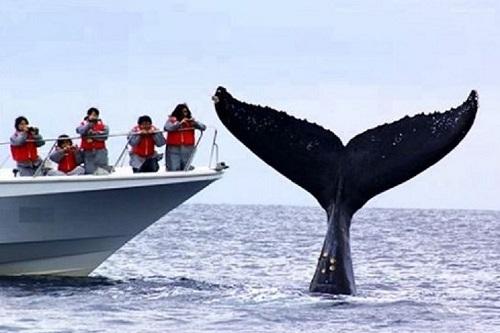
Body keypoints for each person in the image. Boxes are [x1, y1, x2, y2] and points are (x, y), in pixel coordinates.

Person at [164, 103, 206, 171]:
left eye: (186, 112)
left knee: (186, 166)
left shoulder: (190, 121)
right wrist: (179, 123)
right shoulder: (171, 120)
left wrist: (195, 123)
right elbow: (167, 127)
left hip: (187, 147)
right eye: (182, 112)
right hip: (174, 148)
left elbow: (203, 127)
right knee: (174, 168)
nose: (184, 114)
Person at [76, 107, 111, 174]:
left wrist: (93, 134)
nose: (93, 117)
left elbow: (104, 136)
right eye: (92, 115)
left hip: (100, 151)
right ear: (88, 115)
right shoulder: (83, 124)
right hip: (88, 152)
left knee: (103, 169)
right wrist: (89, 125)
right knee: (89, 170)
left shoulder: (104, 126)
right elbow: (80, 131)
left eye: (95, 115)